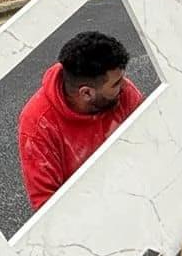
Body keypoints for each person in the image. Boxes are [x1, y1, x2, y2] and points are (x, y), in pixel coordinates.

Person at [17, 29, 146, 211]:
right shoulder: (38, 124)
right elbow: (47, 204)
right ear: (86, 93)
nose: (125, 85)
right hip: (86, 214)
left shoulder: (123, 93)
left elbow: (152, 139)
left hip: (138, 189)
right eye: (116, 84)